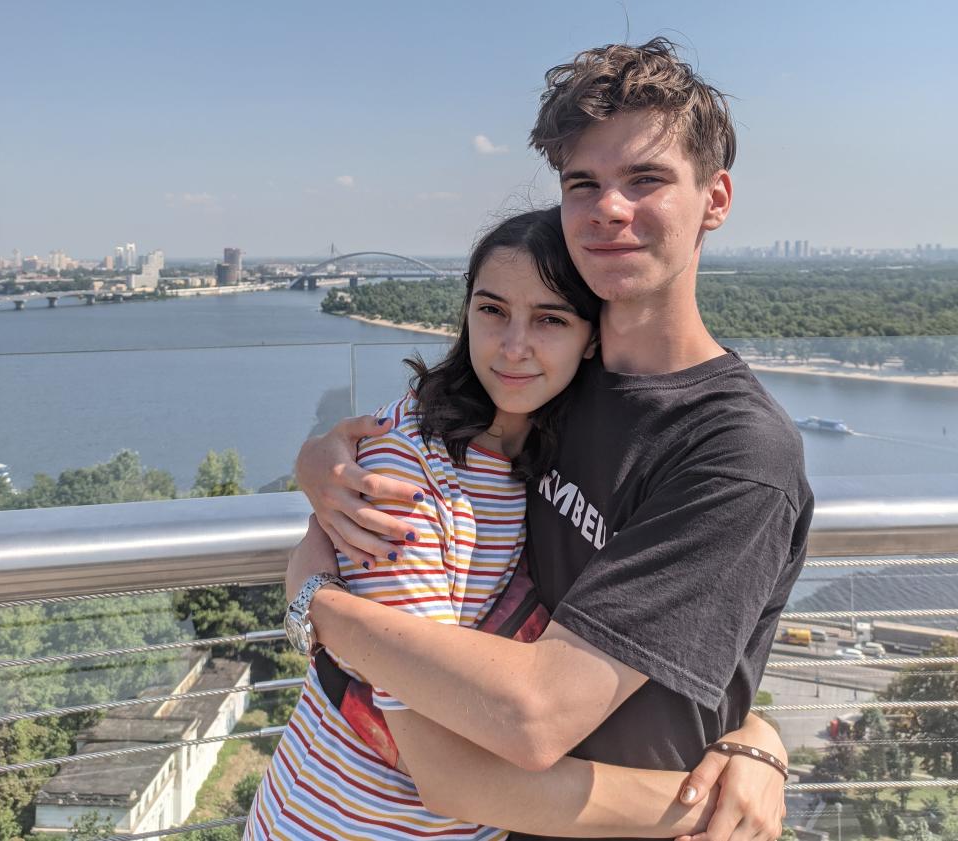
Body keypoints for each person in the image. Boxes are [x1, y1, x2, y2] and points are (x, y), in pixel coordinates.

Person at [289, 38, 812, 841]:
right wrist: (323, 460)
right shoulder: (558, 383)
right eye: (583, 183)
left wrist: (318, 606)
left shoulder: (734, 452)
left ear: (715, 199)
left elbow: (530, 719)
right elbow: (431, 474)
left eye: (646, 179)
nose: (609, 207)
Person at [247, 207, 733, 841]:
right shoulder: (406, 471)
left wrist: (752, 736)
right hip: (334, 823)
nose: (513, 347)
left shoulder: (559, 462)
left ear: (591, 336)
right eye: (492, 310)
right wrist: (711, 803)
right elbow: (443, 768)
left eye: (550, 319)